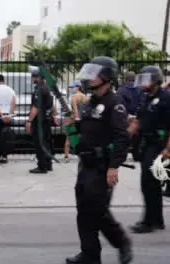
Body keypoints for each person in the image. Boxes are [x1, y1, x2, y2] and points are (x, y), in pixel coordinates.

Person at [64, 56, 132, 264]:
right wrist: (72, 125)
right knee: (83, 211)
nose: (90, 77)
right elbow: (85, 131)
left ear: (107, 77)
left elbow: (122, 137)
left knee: (98, 212)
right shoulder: (89, 102)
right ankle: (90, 254)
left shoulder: (115, 103)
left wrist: (114, 167)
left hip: (102, 167)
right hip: (86, 165)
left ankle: (122, 242)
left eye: (95, 73)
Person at [128, 65, 169, 233]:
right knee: (151, 183)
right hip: (147, 144)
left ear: (155, 80)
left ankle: (148, 222)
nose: (143, 82)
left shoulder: (166, 98)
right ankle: (156, 220)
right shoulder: (147, 98)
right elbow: (138, 122)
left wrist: (167, 149)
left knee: (149, 182)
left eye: (147, 79)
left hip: (159, 145)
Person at [26, 67, 55, 173]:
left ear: (38, 77)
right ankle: (48, 164)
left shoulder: (39, 89)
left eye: (33, 76)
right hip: (47, 120)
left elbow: (36, 107)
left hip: (40, 121)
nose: (32, 78)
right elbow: (52, 105)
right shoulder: (47, 87)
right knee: (47, 143)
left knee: (39, 144)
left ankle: (42, 166)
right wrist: (54, 116)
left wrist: (29, 121)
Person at [64, 80, 88, 162]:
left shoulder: (74, 97)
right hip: (84, 120)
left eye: (72, 87)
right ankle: (83, 155)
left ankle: (66, 157)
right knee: (83, 138)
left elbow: (75, 110)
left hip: (75, 119)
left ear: (78, 87)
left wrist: (74, 119)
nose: (71, 89)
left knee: (68, 137)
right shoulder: (85, 96)